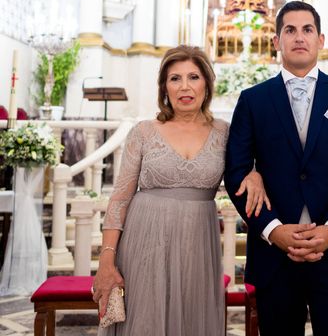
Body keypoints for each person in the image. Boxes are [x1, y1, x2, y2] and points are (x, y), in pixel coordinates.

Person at [93, 45, 269, 336]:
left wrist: (255, 174)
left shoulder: (226, 132)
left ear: (207, 84)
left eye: (193, 77)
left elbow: (242, 170)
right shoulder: (144, 131)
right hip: (144, 242)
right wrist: (106, 261)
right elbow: (120, 198)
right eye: (175, 79)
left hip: (197, 243)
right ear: (164, 86)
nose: (184, 87)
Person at [225, 1, 328, 335]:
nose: (299, 37)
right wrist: (273, 230)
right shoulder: (253, 100)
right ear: (276, 41)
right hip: (274, 256)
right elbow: (236, 170)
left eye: (307, 29)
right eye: (289, 30)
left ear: (320, 40)